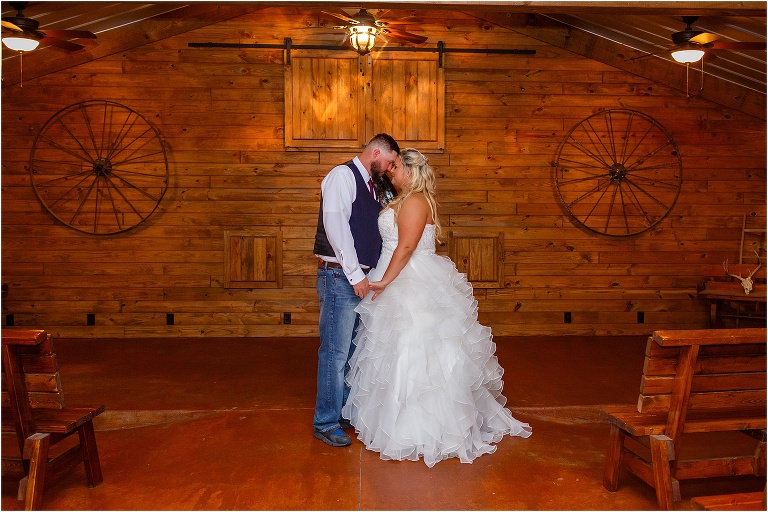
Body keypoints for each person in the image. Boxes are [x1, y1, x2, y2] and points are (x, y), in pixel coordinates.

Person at [342, 148, 532, 467]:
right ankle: (391, 420)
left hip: (411, 279)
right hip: (394, 274)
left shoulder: (416, 201)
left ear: (413, 172)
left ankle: (421, 428)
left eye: (398, 167)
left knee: (416, 349)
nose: (392, 171)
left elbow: (406, 247)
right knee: (392, 349)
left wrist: (385, 281)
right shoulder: (401, 198)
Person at [312, 133, 401, 447]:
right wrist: (354, 276)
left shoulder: (370, 184)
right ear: (375, 152)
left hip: (355, 278)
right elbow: (336, 228)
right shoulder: (342, 176)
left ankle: (341, 411)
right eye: (389, 162)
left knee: (349, 352)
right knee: (334, 354)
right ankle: (325, 422)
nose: (389, 168)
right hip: (340, 278)